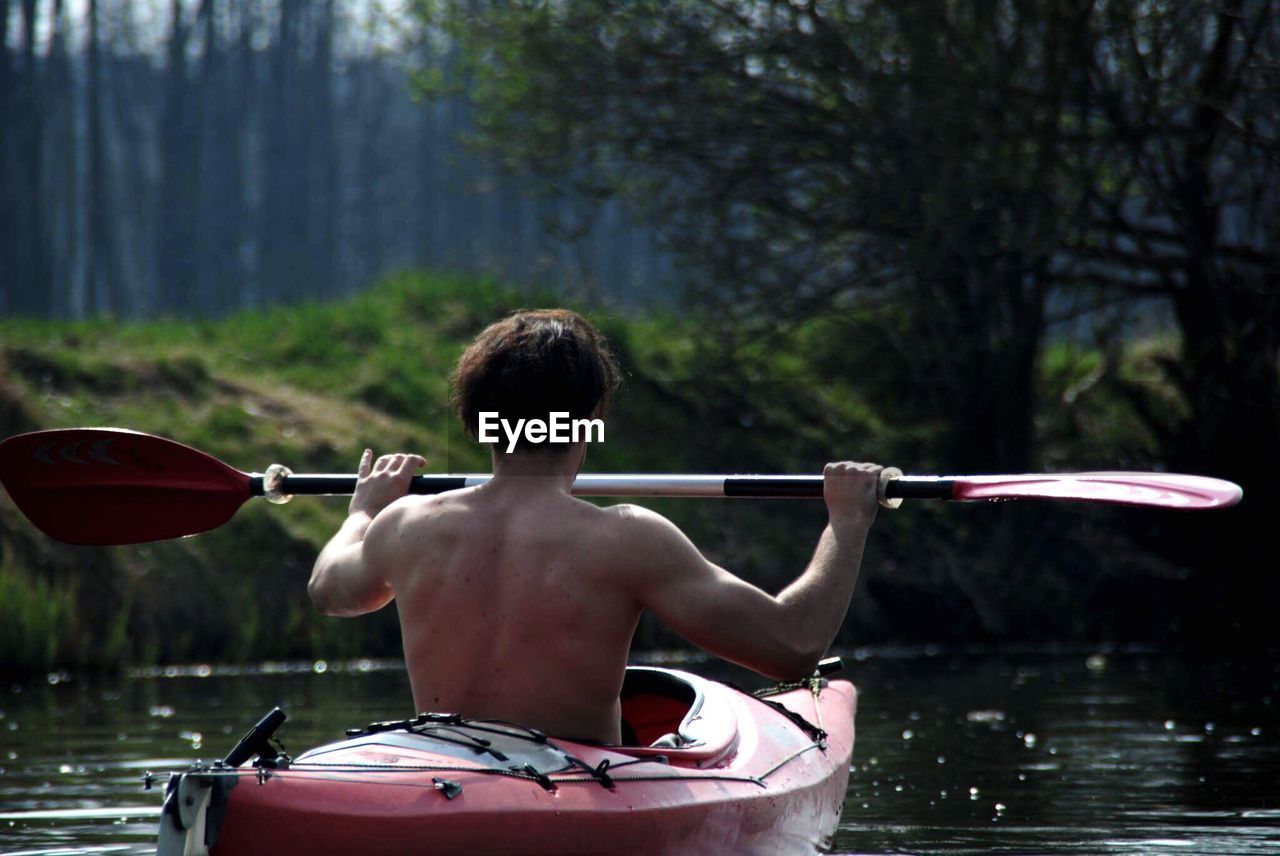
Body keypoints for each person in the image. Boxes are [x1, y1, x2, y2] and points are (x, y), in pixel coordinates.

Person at [309, 309, 883, 744]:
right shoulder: (628, 539)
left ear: (478, 424)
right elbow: (793, 647)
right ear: (586, 426)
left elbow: (330, 589)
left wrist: (363, 509)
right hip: (570, 791)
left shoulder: (404, 524)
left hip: (443, 771)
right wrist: (848, 521)